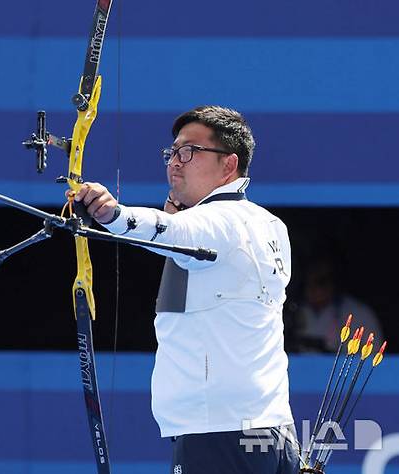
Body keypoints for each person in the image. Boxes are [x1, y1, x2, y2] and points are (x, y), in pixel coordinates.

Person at [72, 106, 300, 473]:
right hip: (271, 431)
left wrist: (110, 214)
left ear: (229, 165)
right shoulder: (269, 224)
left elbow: (170, 230)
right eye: (172, 152)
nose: (174, 162)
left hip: (218, 435)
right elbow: (196, 267)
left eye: (189, 151)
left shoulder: (215, 222)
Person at [293, 256, 384, 353]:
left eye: (320, 282)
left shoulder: (359, 313)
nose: (313, 288)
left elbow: (375, 354)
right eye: (309, 282)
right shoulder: (294, 310)